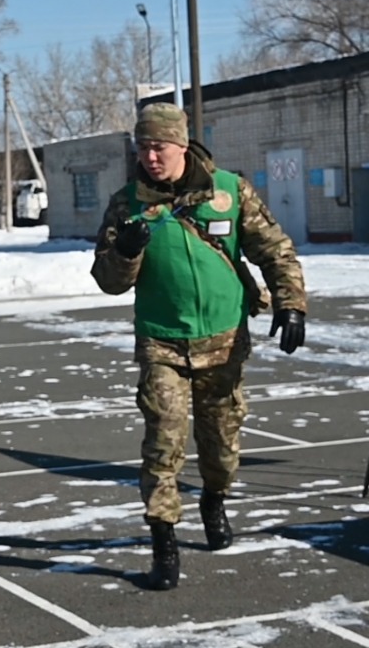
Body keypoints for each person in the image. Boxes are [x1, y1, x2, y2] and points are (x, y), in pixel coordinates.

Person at [91, 102, 307, 591]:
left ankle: (215, 497)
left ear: (182, 145)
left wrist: (291, 304)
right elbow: (108, 281)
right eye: (142, 147)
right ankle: (163, 542)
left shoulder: (229, 192)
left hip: (225, 341)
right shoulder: (127, 204)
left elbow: (274, 248)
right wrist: (125, 252)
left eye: (159, 147)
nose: (150, 157)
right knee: (163, 444)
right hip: (162, 343)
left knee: (221, 445)